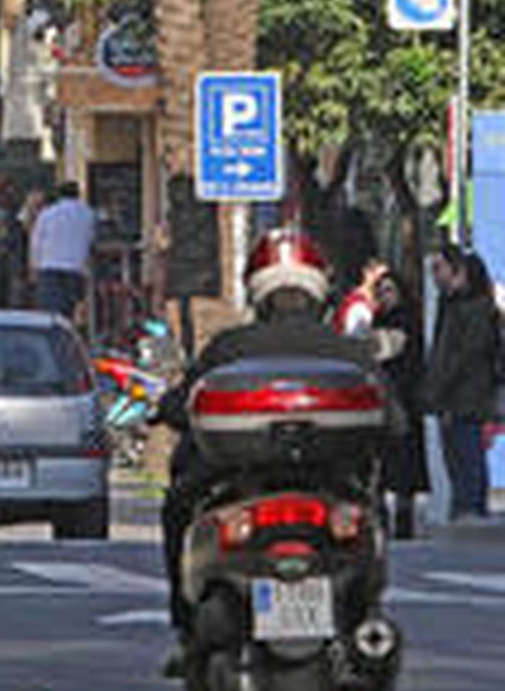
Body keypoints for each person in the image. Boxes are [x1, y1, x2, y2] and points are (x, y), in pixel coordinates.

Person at [158, 227, 398, 647]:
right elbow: (394, 419)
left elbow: (182, 407)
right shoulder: (348, 350)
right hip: (332, 484)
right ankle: (365, 612)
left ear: (257, 292)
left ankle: (184, 620)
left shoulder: (230, 346)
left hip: (239, 482)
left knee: (178, 505)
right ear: (319, 290)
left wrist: (166, 409)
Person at [424, 243, 499, 523]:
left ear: (457, 269)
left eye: (438, 268)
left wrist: (440, 385)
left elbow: (465, 354)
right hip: (452, 394)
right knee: (456, 453)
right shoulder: (451, 303)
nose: (434, 275)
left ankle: (471, 507)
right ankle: (464, 505)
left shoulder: (474, 307)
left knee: (467, 452)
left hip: (467, 394)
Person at [368, 264, 428, 539]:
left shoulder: (407, 319)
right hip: (384, 397)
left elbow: (385, 349)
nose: (384, 296)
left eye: (389, 290)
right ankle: (381, 517)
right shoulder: (378, 318)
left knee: (404, 462)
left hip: (405, 397)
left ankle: (404, 520)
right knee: (382, 461)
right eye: (380, 291)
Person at [28, 181, 96, 323]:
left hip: (49, 267)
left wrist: (34, 267)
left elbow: (36, 242)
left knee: (50, 313)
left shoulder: (47, 214)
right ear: (78, 194)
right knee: (70, 310)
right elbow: (91, 238)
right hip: (75, 268)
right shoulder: (88, 213)